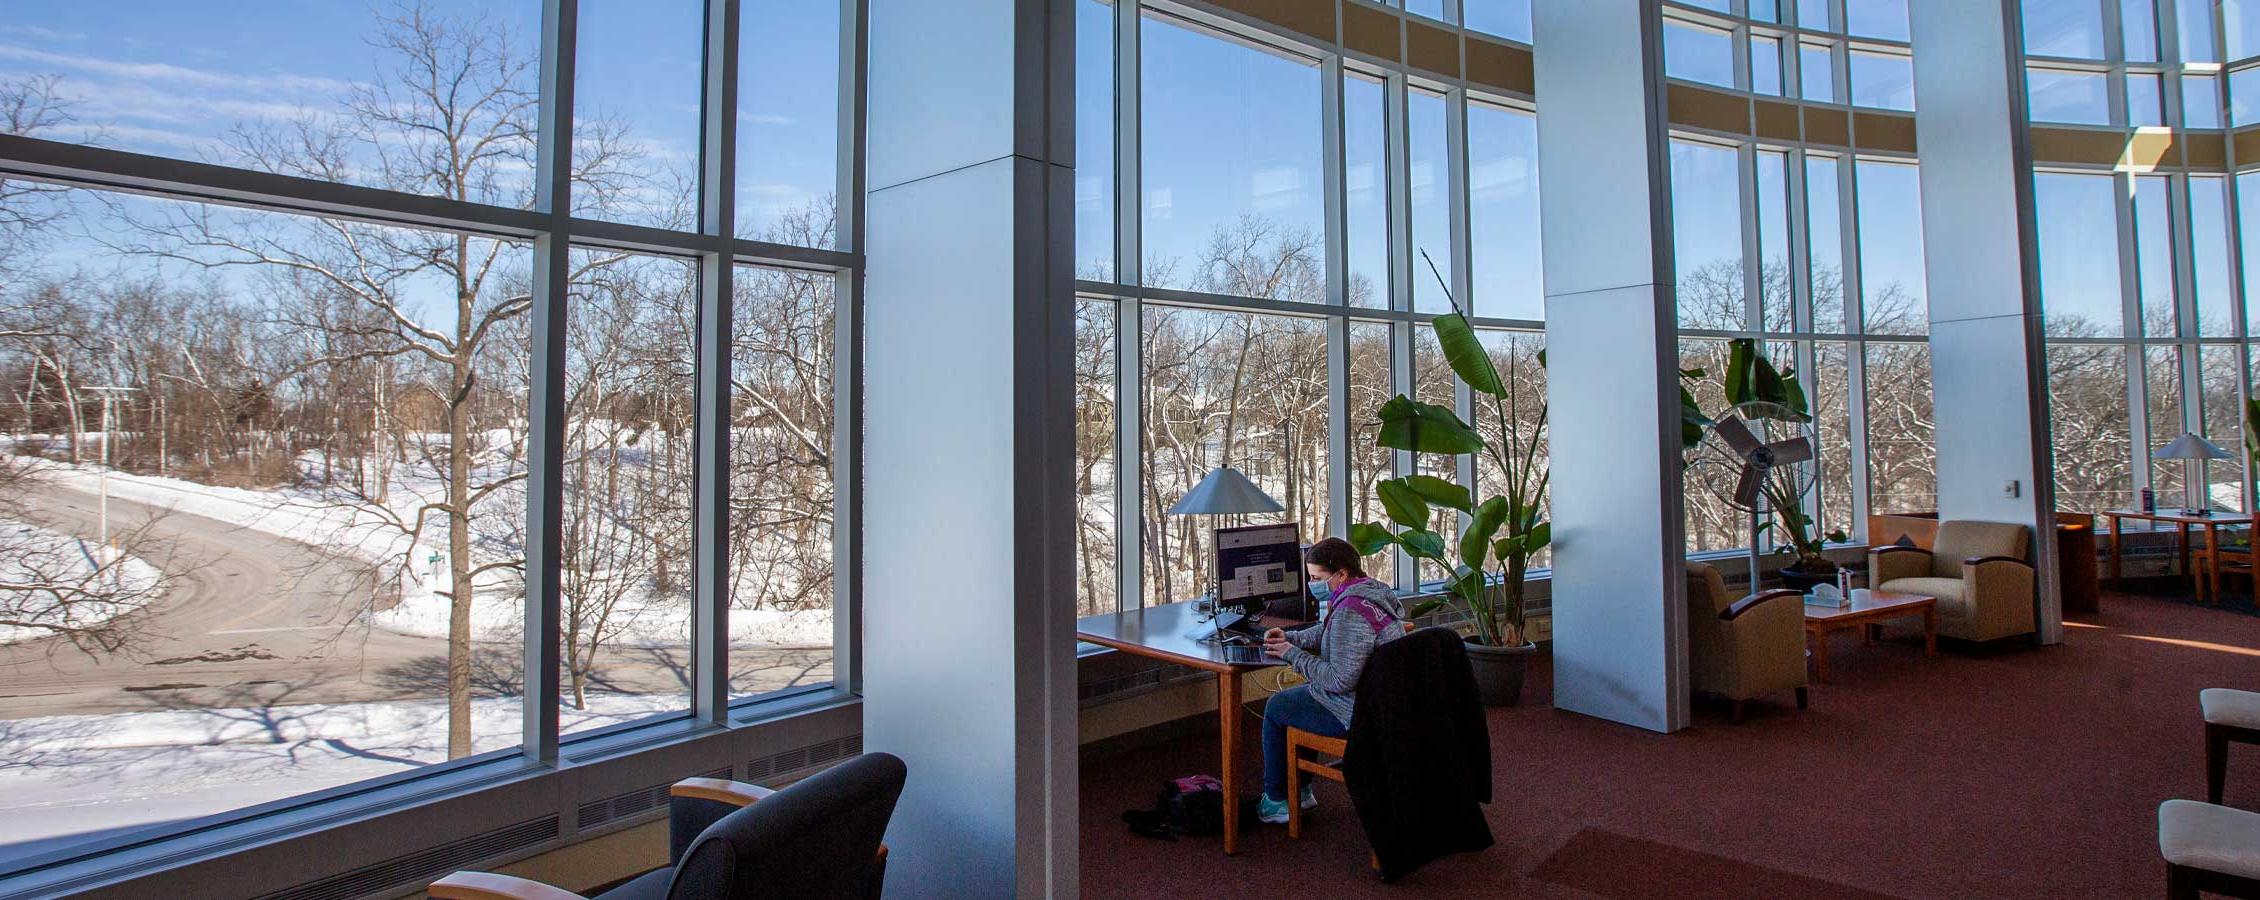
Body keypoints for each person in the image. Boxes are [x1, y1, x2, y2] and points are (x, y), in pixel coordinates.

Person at [1255, 536, 1405, 825]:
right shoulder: (1370, 594)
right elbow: (1328, 630)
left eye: (1317, 577)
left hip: (1359, 715)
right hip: (1384, 703)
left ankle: (1276, 800)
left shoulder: (1350, 611)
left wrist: (1293, 655)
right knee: (1302, 699)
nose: (1313, 585)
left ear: (1342, 574)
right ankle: (1300, 791)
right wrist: (1292, 638)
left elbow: (1338, 680)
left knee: (1277, 707)